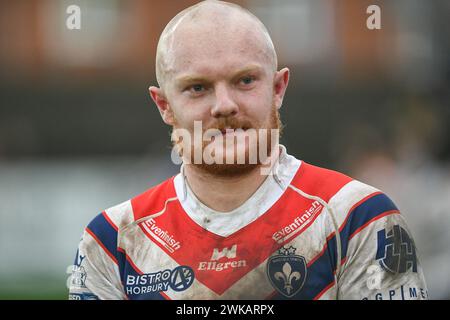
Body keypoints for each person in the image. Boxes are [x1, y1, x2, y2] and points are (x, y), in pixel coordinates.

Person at [68, 0, 428, 300]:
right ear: (163, 105)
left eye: (244, 80)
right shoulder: (112, 240)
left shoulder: (358, 218)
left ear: (278, 88)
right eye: (197, 87)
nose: (224, 105)